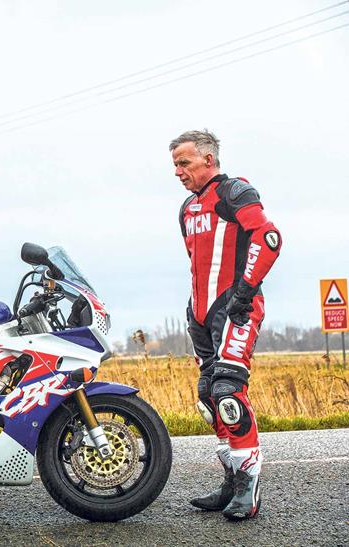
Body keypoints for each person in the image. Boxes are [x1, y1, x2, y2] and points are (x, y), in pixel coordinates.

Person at [170, 130, 282, 520]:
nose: (178, 172)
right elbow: (198, 264)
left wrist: (244, 293)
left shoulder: (234, 192)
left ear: (208, 160)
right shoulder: (187, 208)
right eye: (175, 165)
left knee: (228, 392)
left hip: (235, 309)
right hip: (200, 316)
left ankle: (249, 492)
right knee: (208, 396)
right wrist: (192, 309)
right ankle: (231, 482)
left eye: (184, 163)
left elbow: (268, 239)